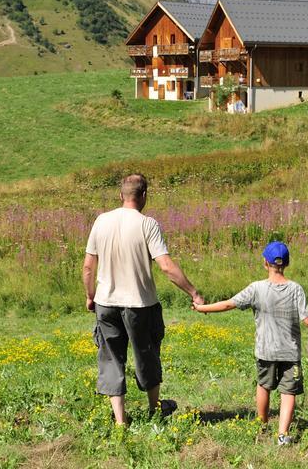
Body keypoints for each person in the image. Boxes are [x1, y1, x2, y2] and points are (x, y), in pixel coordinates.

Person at [82, 173, 204, 426]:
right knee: (147, 354)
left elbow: (88, 267)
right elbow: (167, 266)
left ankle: (120, 420)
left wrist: (90, 295)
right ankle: (154, 407)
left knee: (111, 358)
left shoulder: (101, 221)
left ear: (121, 195)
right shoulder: (147, 224)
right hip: (140, 304)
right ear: (144, 195)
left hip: (106, 303)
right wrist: (193, 292)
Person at [192, 241, 308, 446]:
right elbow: (307, 320)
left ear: (265, 262)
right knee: (288, 392)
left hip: (265, 351)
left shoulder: (256, 288)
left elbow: (229, 303)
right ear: (288, 263)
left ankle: (262, 424)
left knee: (264, 385)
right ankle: (282, 435)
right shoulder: (296, 289)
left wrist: (203, 309)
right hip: (290, 353)